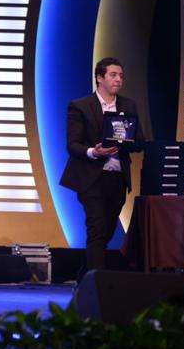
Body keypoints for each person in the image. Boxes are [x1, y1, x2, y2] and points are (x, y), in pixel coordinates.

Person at [60, 57, 145, 272]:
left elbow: (140, 141)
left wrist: (126, 141)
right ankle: (97, 283)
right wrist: (94, 152)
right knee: (97, 228)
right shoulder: (80, 106)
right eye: (113, 75)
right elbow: (73, 145)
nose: (118, 80)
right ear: (100, 78)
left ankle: (84, 276)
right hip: (91, 179)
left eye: (121, 76)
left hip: (117, 178)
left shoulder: (129, 105)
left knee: (106, 230)